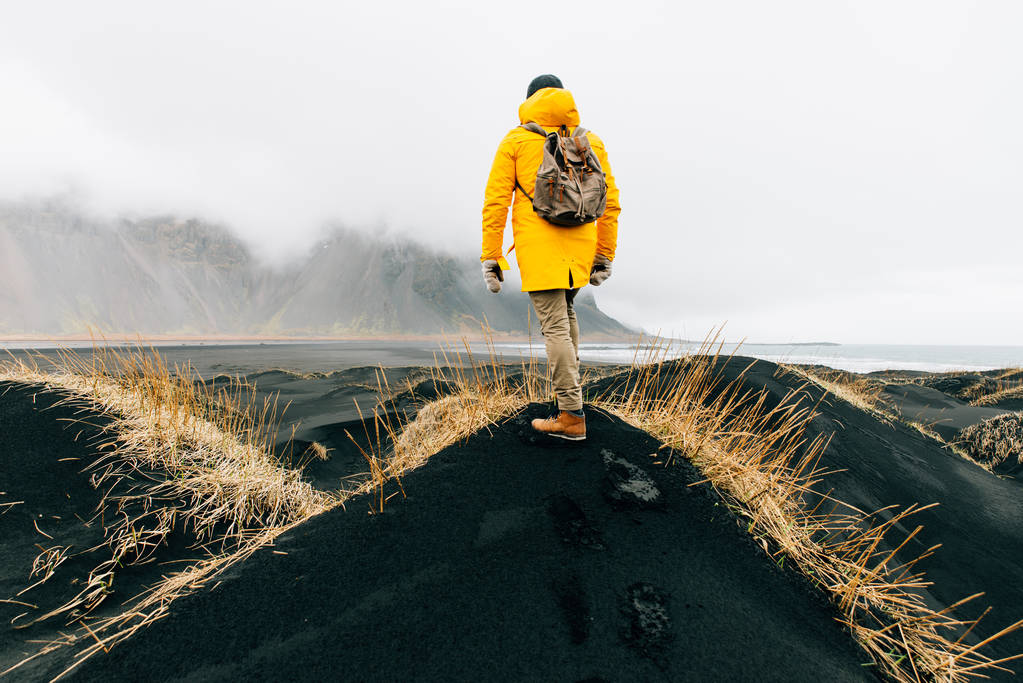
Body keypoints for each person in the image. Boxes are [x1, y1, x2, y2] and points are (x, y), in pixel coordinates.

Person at [480, 74, 621, 441]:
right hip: (581, 246)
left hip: (538, 248)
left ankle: (571, 417)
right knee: (567, 314)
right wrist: (604, 254)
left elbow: (496, 202)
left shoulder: (516, 140)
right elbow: (611, 203)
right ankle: (570, 399)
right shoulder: (591, 142)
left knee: (554, 326)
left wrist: (491, 256)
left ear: (530, 101)